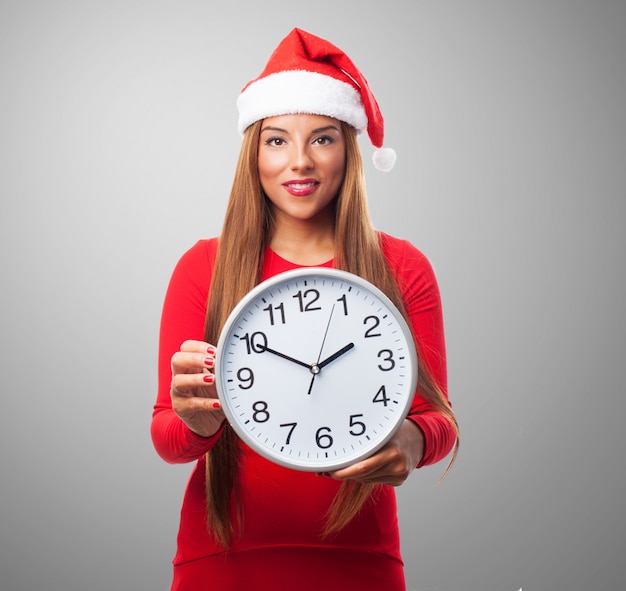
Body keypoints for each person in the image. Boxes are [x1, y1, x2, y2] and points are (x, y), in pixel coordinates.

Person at [151, 27, 459, 591]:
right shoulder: (203, 267)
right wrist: (196, 422)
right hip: (219, 564)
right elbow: (167, 435)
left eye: (321, 138)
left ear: (348, 148)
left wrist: (410, 443)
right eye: (276, 140)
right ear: (254, 152)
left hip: (360, 565)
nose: (300, 162)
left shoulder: (402, 266)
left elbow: (439, 421)